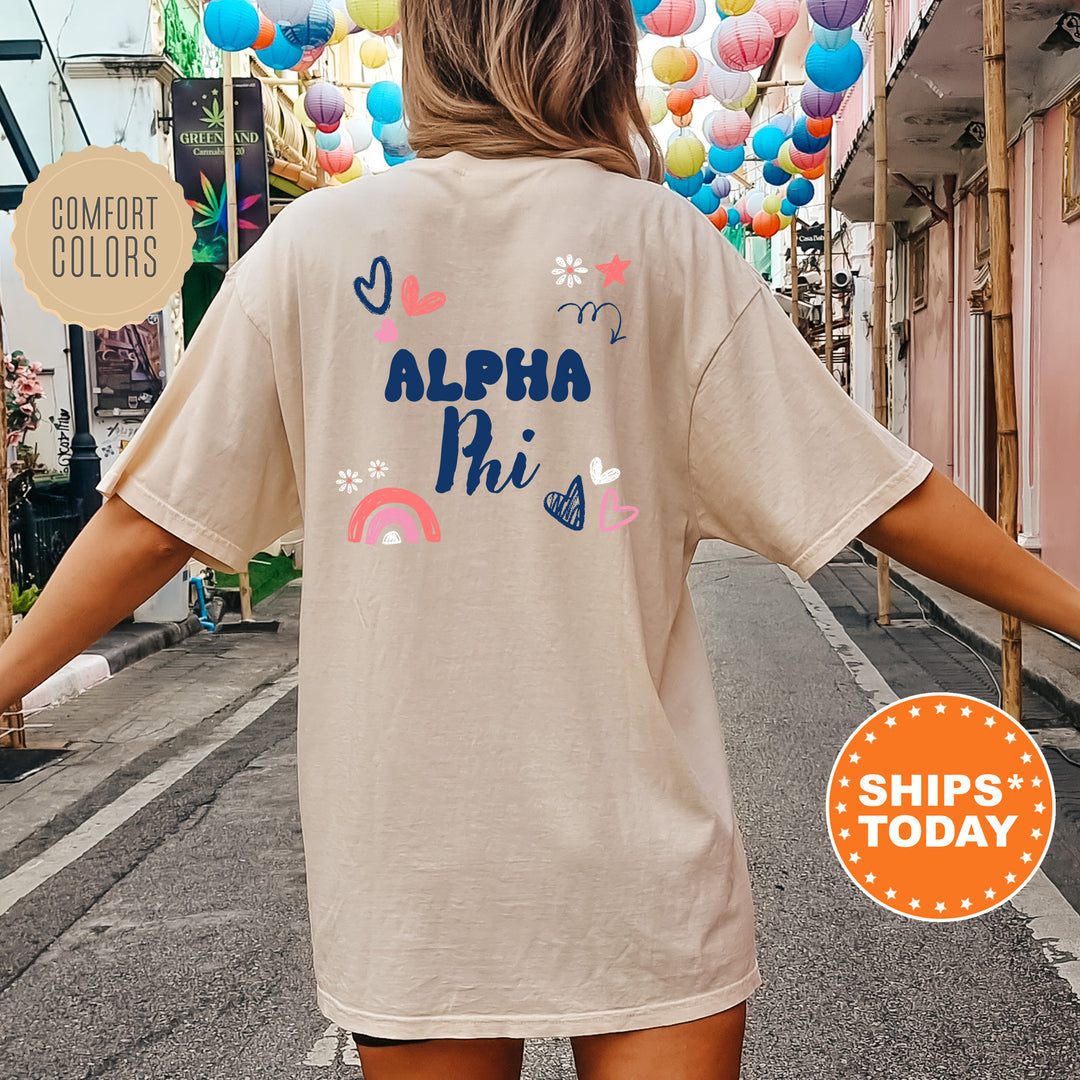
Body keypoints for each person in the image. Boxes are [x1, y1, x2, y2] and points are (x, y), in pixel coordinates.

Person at [3, 2, 1079, 1078]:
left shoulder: (311, 250)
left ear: (429, 45)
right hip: (640, 855)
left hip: (412, 867)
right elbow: (879, 495)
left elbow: (149, 526)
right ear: (599, 47)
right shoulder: (664, 246)